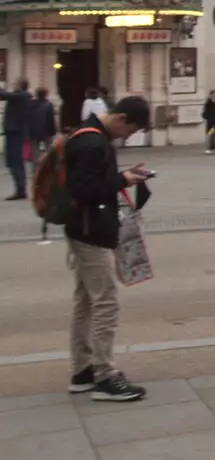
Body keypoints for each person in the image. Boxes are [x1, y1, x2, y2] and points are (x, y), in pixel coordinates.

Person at [64, 95, 153, 402]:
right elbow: (85, 190)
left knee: (86, 301)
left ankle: (82, 370)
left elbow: (88, 181)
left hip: (82, 229)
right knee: (105, 303)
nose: (127, 137)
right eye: (130, 131)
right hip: (90, 232)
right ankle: (104, 376)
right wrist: (122, 180)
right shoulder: (93, 143)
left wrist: (121, 176)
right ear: (122, 119)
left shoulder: (89, 133)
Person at [3, 77, 31, 200]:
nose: (14, 86)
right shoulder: (18, 95)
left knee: (16, 161)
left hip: (16, 132)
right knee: (11, 161)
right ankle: (19, 188)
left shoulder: (23, 95)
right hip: (12, 131)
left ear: (21, 85)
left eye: (16, 84)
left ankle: (21, 189)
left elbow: (4, 94)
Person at [29, 88, 58, 179]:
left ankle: (35, 171)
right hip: (46, 131)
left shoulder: (31, 104)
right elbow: (51, 120)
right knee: (49, 151)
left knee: (35, 152)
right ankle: (48, 169)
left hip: (34, 131)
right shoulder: (48, 105)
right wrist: (53, 132)